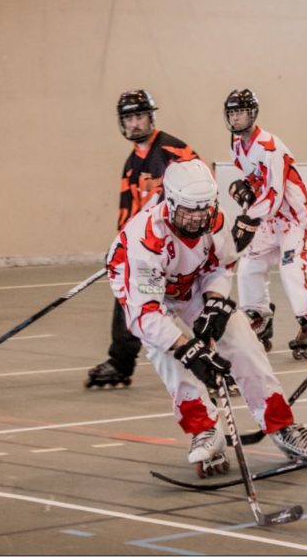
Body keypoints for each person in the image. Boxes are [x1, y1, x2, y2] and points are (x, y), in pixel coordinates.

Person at [106, 158, 307, 476]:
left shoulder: (214, 219)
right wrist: (188, 350)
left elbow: (221, 264)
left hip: (192, 284)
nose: (198, 219)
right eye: (189, 211)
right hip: (150, 297)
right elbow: (144, 314)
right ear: (171, 203)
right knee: (169, 357)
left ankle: (281, 425)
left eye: (204, 210)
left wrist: (214, 302)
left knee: (242, 339)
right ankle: (205, 429)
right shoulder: (145, 241)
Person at [85, 89, 200, 389]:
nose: (135, 124)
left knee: (193, 303)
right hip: (150, 249)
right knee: (129, 291)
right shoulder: (131, 164)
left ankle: (220, 361)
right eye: (129, 119)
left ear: (150, 117)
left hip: (181, 246)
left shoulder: (175, 151)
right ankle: (121, 363)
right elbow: (128, 211)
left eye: (139, 116)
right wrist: (120, 249)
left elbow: (200, 191)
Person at [224, 89, 307, 359]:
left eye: (241, 112)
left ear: (253, 114)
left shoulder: (271, 147)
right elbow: (255, 180)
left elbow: (274, 192)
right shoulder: (236, 146)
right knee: (250, 264)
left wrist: (248, 218)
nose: (236, 118)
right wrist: (244, 188)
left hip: (293, 217)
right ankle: (258, 317)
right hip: (269, 218)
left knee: (291, 267)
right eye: (232, 113)